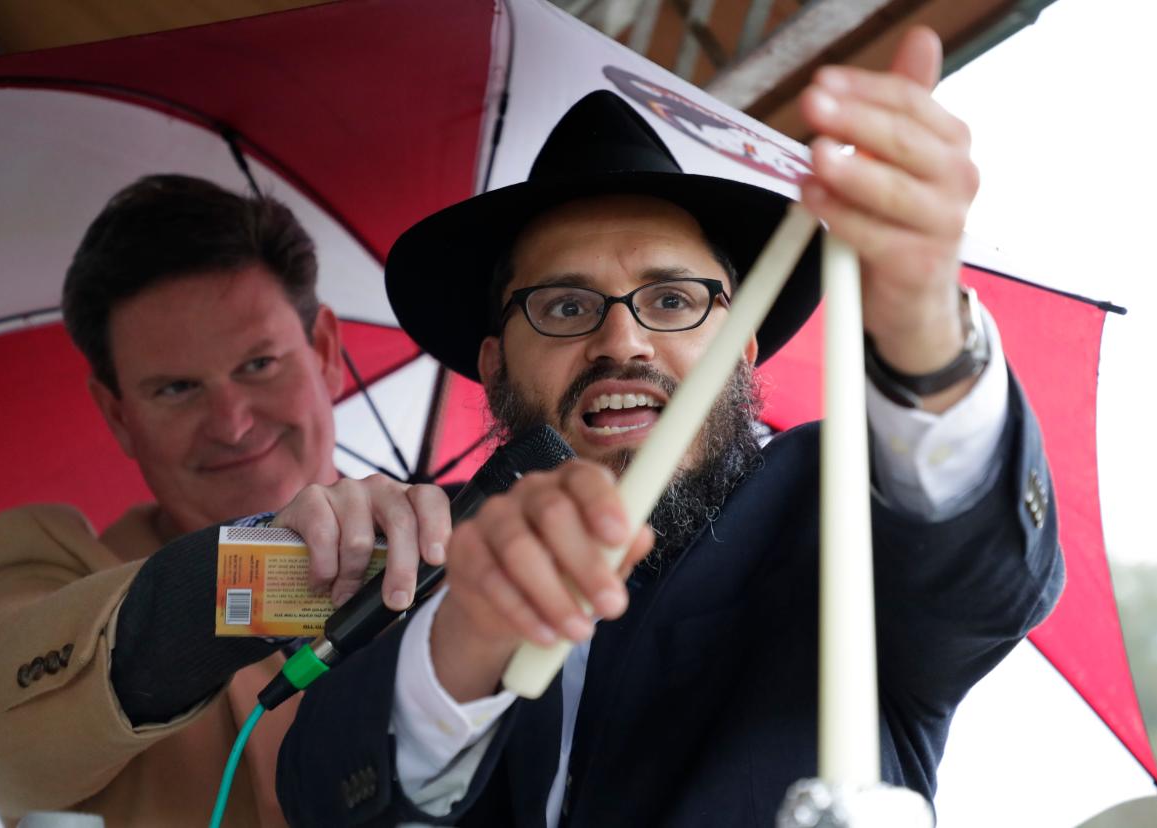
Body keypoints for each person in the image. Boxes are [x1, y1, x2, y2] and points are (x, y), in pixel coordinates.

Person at [275, 26, 1064, 828]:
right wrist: (464, 638)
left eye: (675, 300)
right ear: (494, 364)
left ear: (743, 347)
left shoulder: (845, 507)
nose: (621, 342)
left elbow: (978, 574)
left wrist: (924, 326)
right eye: (565, 307)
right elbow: (322, 796)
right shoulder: (427, 552)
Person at [0, 175, 448, 826]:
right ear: (117, 416)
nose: (231, 423)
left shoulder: (462, 546)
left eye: (258, 365)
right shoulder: (47, 560)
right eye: (176, 388)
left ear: (324, 352)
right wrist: (255, 565)